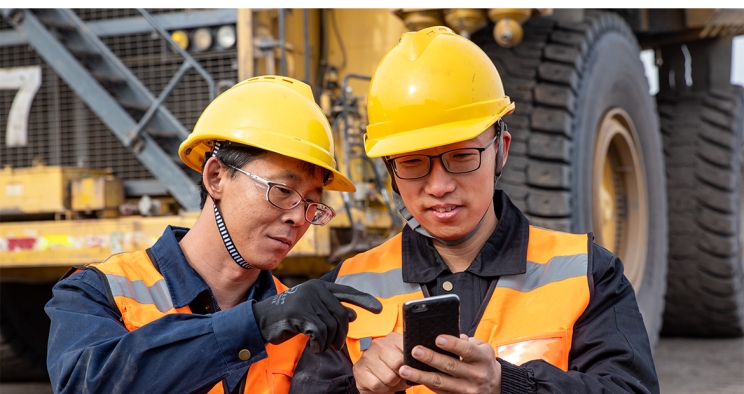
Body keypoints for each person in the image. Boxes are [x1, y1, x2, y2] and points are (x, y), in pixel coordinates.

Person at [296, 26, 660, 393]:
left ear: (501, 149)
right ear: (390, 171)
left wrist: (508, 384)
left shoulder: (587, 275)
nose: (439, 186)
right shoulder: (345, 289)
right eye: (412, 162)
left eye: (462, 156)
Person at [45, 76, 382, 394]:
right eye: (282, 191)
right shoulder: (97, 292)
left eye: (312, 203)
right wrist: (256, 324)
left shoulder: (302, 323)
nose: (298, 217)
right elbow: (87, 384)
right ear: (217, 177)